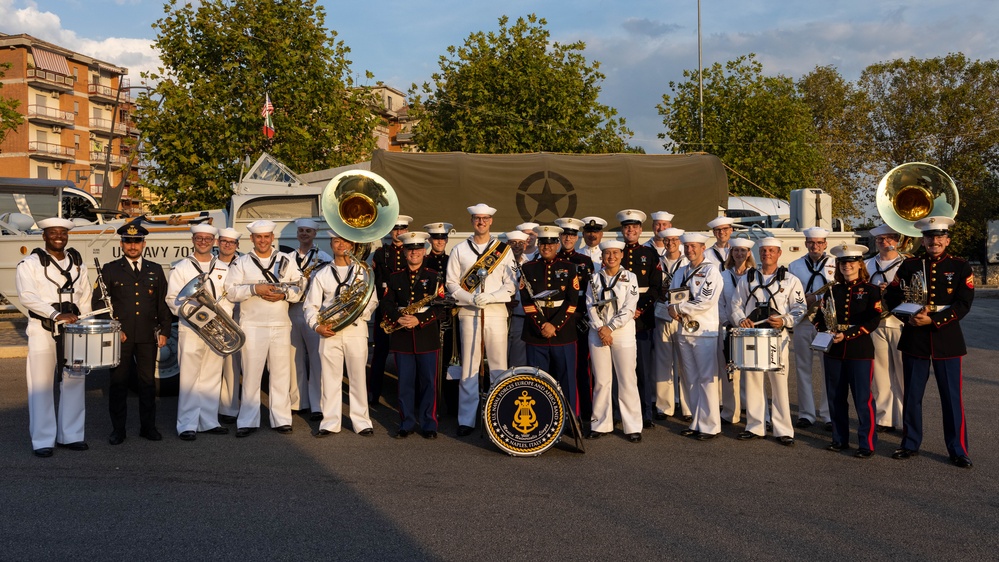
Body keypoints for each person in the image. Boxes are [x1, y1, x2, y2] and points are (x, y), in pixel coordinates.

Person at [884, 216, 974, 468]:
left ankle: (957, 449)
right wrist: (909, 317)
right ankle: (910, 443)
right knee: (912, 394)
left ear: (947, 240)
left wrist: (934, 321)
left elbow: (963, 303)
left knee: (952, 397)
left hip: (947, 338)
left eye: (939, 237)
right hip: (915, 336)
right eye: (929, 237)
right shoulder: (910, 265)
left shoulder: (960, 266)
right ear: (922, 241)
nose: (934, 241)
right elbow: (892, 295)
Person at [16, 217, 93, 457]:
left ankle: (71, 435)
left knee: (74, 381)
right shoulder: (29, 264)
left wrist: (86, 323)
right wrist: (56, 314)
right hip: (43, 329)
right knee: (41, 384)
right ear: (44, 236)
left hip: (74, 330)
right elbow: (27, 296)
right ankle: (42, 439)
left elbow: (85, 297)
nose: (59, 236)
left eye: (63, 232)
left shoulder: (78, 263)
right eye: (53, 232)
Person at [94, 221, 171, 445]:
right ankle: (118, 430)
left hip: (148, 336)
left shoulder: (154, 270)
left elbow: (162, 304)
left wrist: (165, 330)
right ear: (121, 244)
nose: (132, 246)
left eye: (137, 241)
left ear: (143, 243)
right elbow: (99, 304)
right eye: (128, 242)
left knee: (147, 383)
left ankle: (148, 427)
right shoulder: (110, 269)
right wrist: (112, 328)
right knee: (118, 384)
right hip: (121, 336)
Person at [224, 219, 303, 437]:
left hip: (279, 324)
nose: (263, 240)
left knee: (281, 373)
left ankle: (281, 419)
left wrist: (284, 294)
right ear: (252, 239)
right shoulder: (241, 263)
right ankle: (248, 421)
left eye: (266, 237)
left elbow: (299, 287)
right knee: (251, 374)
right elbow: (230, 291)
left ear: (272, 238)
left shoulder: (286, 260)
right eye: (258, 237)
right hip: (252, 325)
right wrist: (254, 288)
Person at [445, 203, 516, 437]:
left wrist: (492, 297)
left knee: (498, 367)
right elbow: (451, 283)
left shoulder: (503, 250)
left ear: (491, 221)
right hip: (468, 312)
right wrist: (470, 297)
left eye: (485, 218)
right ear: (472, 221)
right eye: (477, 218)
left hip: (495, 313)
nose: (481, 222)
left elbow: (511, 285)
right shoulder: (459, 250)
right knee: (469, 367)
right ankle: (466, 419)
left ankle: (500, 415)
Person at [729, 237, 805, 445]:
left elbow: (800, 308)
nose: (767, 254)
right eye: (763, 251)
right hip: (752, 335)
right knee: (752, 382)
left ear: (779, 253)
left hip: (776, 337)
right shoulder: (748, 278)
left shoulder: (790, 280)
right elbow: (735, 304)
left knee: (779, 384)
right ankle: (755, 426)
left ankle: (783, 430)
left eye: (771, 251)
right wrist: (741, 319)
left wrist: (784, 321)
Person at [304, 233, 377, 437]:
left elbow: (372, 300)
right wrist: (317, 326)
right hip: (329, 332)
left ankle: (362, 422)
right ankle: (330, 422)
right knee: (329, 379)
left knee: (357, 378)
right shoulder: (322, 274)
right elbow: (310, 306)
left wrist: (354, 313)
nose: (341, 244)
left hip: (355, 330)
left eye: (345, 241)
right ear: (331, 244)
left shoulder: (363, 272)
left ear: (353, 245)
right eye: (336, 241)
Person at [815, 243, 883, 458]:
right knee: (836, 397)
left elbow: (874, 319)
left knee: (862, 398)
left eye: (851, 262)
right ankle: (839, 438)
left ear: (859, 264)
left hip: (859, 349)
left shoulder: (871, 290)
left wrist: (850, 334)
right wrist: (826, 331)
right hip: (833, 349)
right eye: (843, 262)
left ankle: (867, 444)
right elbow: (818, 317)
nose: (847, 266)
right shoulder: (832, 290)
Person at [166, 224, 232, 440]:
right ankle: (187, 425)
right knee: (189, 377)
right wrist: (198, 315)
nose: (203, 242)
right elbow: (172, 299)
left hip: (218, 328)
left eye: (207, 238)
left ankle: (209, 421)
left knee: (212, 376)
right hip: (192, 328)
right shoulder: (181, 267)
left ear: (214, 241)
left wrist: (222, 318)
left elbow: (229, 296)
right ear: (193, 240)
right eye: (199, 238)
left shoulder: (224, 267)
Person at [381, 231, 443, 439]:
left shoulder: (434, 277)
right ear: (405, 252)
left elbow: (442, 307)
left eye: (418, 249)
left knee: (428, 383)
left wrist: (420, 320)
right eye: (410, 249)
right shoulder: (394, 277)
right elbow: (386, 303)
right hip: (402, 337)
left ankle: (429, 424)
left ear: (424, 251)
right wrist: (398, 318)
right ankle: (406, 422)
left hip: (426, 336)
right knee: (405, 383)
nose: (414, 253)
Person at [585, 240, 642, 442]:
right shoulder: (594, 278)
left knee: (627, 379)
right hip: (598, 331)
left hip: (622, 332)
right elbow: (590, 305)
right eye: (607, 253)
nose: (611, 257)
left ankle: (632, 426)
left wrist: (610, 328)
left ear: (621, 255)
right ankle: (600, 423)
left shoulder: (630, 277)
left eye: (615, 253)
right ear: (602, 256)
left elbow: (629, 307)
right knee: (601, 380)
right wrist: (601, 327)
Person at [668, 232, 723, 440]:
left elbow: (706, 301)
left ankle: (711, 425)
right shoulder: (681, 272)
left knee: (706, 378)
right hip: (684, 330)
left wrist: (679, 308)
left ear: (702, 248)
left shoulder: (711, 271)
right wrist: (671, 309)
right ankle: (697, 420)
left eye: (694, 246)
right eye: (687, 247)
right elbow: (672, 296)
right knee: (690, 378)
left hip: (704, 331)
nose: (689, 250)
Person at [521, 225, 580, 414]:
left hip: (563, 334)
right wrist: (542, 325)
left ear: (557, 244)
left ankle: (570, 421)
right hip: (536, 334)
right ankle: (541, 419)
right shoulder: (527, 268)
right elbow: (527, 301)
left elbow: (572, 301)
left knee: (567, 379)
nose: (546, 247)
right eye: (542, 244)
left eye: (550, 243)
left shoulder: (569, 268)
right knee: (537, 380)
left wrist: (554, 325)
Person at [617, 209, 663, 428]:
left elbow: (656, 286)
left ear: (640, 230)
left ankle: (646, 413)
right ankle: (620, 412)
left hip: (642, 319)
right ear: (622, 230)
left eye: (634, 227)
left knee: (643, 369)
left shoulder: (649, 253)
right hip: (620, 319)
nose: (630, 230)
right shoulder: (615, 252)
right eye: (627, 227)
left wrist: (641, 309)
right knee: (621, 370)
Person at [788, 226, 836, 429]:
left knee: (829, 369)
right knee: (803, 368)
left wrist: (816, 297)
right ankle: (806, 414)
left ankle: (828, 414)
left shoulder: (835, 263)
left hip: (826, 322)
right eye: (811, 243)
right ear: (805, 244)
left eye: (819, 243)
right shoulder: (795, 265)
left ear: (825, 244)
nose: (815, 246)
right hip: (804, 321)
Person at [289, 218, 333, 417]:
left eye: (308, 231)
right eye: (301, 231)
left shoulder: (324, 257)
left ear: (314, 234)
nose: (304, 234)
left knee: (316, 359)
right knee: (293, 358)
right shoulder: (287, 257)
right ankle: (298, 402)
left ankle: (317, 405)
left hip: (314, 311)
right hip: (291, 310)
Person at [369, 215, 414, 407]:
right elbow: (377, 281)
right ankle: (374, 393)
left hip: (405, 311)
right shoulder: (380, 253)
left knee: (406, 354)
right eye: (395, 229)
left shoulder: (412, 251)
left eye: (402, 229)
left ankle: (405, 395)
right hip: (384, 310)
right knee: (380, 353)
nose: (398, 232)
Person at [864, 223, 905, 432]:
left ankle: (907, 418)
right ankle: (884, 418)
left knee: (903, 373)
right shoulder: (867, 264)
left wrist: (891, 290)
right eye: (880, 239)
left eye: (889, 238)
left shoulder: (907, 264)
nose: (884, 242)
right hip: (876, 323)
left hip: (900, 323)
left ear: (897, 241)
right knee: (880, 374)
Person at [554, 217, 595, 419]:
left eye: (571, 234)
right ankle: (557, 411)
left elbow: (591, 293)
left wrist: (582, 316)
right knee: (557, 367)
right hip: (557, 321)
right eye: (564, 234)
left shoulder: (585, 261)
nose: (568, 238)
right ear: (559, 236)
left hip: (578, 321)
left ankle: (585, 412)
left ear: (577, 237)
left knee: (581, 368)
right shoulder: (552, 259)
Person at [652, 227, 691, 421]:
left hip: (681, 316)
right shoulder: (657, 262)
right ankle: (664, 406)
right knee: (663, 361)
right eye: (667, 241)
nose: (671, 243)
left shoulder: (687, 263)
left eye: (675, 240)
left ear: (680, 242)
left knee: (684, 362)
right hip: (661, 314)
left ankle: (687, 407)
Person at [718, 237, 756, 425]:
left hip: (749, 328)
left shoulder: (755, 275)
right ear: (731, 253)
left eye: (743, 250)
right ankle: (729, 411)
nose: (739, 254)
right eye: (735, 250)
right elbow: (720, 303)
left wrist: (745, 323)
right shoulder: (723, 275)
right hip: (728, 327)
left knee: (750, 372)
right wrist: (728, 322)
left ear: (749, 253)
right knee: (729, 372)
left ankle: (750, 409)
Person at [424, 222, 457, 415]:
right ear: (430, 240)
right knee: (431, 361)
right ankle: (430, 403)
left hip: (450, 317)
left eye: (443, 238)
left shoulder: (452, 259)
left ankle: (451, 404)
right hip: (431, 317)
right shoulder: (425, 261)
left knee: (451, 361)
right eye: (436, 238)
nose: (440, 242)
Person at [216, 227, 242, 424]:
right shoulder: (210, 264)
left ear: (237, 245)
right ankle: (213, 406)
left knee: (234, 366)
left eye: (231, 242)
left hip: (241, 318)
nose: (227, 245)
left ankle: (231, 408)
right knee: (215, 366)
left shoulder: (245, 263)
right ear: (218, 243)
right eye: (223, 241)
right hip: (216, 319)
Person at [505, 230, 531, 367]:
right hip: (502, 316)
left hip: (521, 318)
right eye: (513, 243)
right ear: (507, 244)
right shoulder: (500, 264)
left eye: (521, 243)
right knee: (499, 358)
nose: (517, 246)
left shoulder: (530, 265)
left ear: (526, 245)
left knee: (518, 359)